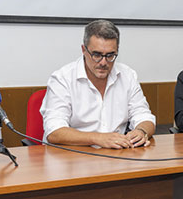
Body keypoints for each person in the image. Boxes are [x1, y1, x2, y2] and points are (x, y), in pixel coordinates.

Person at [41, 20, 156, 149]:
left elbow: (143, 115)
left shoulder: (127, 76)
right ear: (84, 50)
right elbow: (54, 131)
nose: (103, 62)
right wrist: (98, 138)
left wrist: (141, 131)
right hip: (72, 156)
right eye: (96, 55)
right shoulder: (62, 79)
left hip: (116, 154)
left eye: (110, 55)